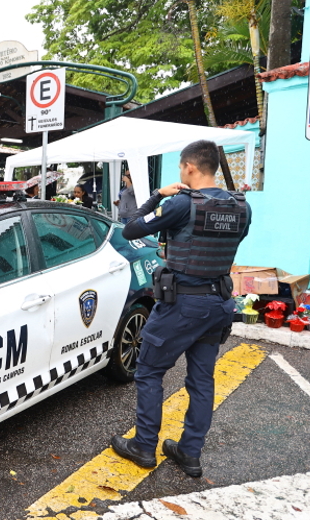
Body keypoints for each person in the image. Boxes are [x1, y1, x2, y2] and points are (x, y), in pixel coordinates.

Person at [110, 140, 251, 479]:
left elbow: (130, 228)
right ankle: (189, 453)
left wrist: (158, 195)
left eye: (179, 168)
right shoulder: (241, 206)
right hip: (220, 302)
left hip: (184, 303)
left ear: (189, 168)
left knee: (148, 371)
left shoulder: (180, 203)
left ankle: (144, 446)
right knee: (202, 380)